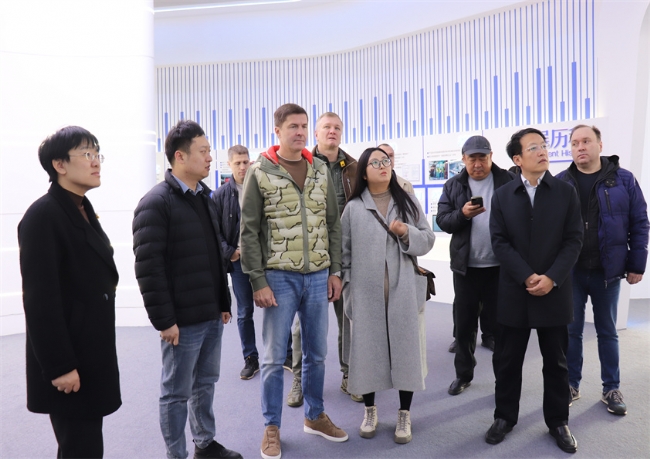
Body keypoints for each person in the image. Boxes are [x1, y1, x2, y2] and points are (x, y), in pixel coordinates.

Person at [240, 103, 348, 459]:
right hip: (278, 277)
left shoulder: (319, 169)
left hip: (317, 276)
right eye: (293, 126)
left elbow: (332, 223)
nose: (300, 132)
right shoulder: (260, 172)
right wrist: (257, 280)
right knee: (274, 358)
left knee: (317, 354)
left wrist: (334, 271)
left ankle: (315, 416)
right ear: (278, 131)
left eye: (303, 126)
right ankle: (272, 427)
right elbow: (248, 231)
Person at [133, 120, 241, 459]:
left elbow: (214, 255)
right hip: (181, 320)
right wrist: (165, 321)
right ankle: (176, 454)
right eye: (203, 151)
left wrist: (223, 301)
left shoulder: (205, 198)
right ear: (180, 156)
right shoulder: (156, 202)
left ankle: (204, 443)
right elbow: (148, 269)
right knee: (176, 393)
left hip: (209, 313)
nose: (210, 158)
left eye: (209, 151)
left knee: (205, 384)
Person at [18, 126, 121, 458]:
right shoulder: (43, 216)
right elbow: (40, 301)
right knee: (80, 447)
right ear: (59, 164)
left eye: (97, 154)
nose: (96, 162)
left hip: (90, 350)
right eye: (87, 154)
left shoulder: (81, 208)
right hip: (69, 356)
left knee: (86, 445)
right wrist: (59, 365)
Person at [486, 128, 583, 454]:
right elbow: (499, 241)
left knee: (556, 362)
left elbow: (574, 239)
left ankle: (558, 421)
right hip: (515, 290)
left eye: (543, 146)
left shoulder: (565, 192)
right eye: (533, 148)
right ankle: (504, 417)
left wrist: (552, 277)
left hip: (554, 290)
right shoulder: (503, 195)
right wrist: (527, 276)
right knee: (508, 360)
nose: (542, 151)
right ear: (517, 158)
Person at [341, 147, 434, 444]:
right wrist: (347, 290)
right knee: (366, 354)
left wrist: (406, 232)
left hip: (403, 291)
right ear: (363, 173)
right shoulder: (353, 208)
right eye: (375, 162)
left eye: (386, 161)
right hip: (365, 294)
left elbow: (428, 239)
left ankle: (404, 413)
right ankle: (370, 410)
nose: (383, 166)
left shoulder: (407, 201)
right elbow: (343, 254)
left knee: (406, 353)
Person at [557, 125, 649, 415]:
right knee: (571, 331)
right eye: (575, 143)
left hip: (607, 271)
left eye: (586, 141)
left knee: (607, 331)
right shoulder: (561, 181)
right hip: (571, 272)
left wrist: (636, 263)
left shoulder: (623, 179)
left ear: (600, 145)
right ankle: (570, 384)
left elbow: (639, 222)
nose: (580, 147)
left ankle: (611, 388)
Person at [287, 112, 362, 407]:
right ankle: (299, 378)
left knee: (348, 320)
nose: (332, 131)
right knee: (301, 326)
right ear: (316, 133)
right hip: (311, 254)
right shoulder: (300, 163)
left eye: (337, 128)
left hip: (345, 255)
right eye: (326, 127)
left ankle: (350, 375)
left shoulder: (354, 167)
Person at [436, 135, 514, 396]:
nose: (478, 164)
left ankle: (503, 379)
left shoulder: (508, 181)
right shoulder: (453, 185)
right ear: (463, 159)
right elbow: (443, 220)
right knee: (465, 326)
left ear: (491, 157)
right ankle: (463, 375)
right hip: (466, 268)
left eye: (483, 157)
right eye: (472, 158)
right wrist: (463, 214)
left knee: (501, 327)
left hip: (500, 268)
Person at [212, 145, 292, 380]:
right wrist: (230, 253)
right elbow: (214, 232)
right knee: (245, 311)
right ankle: (250, 358)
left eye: (245, 162)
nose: (242, 167)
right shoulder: (220, 196)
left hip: (266, 261)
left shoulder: (263, 188)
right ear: (229, 164)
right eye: (237, 163)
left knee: (277, 305)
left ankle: (285, 353)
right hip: (238, 263)